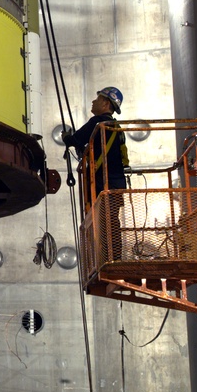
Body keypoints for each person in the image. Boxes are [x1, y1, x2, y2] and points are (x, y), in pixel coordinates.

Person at [62, 86, 128, 261]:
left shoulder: (97, 123)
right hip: (117, 182)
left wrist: (66, 137)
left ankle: (104, 257)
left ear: (106, 103)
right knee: (113, 219)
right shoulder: (116, 128)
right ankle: (115, 255)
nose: (93, 101)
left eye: (97, 99)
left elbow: (75, 139)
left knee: (101, 220)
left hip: (101, 181)